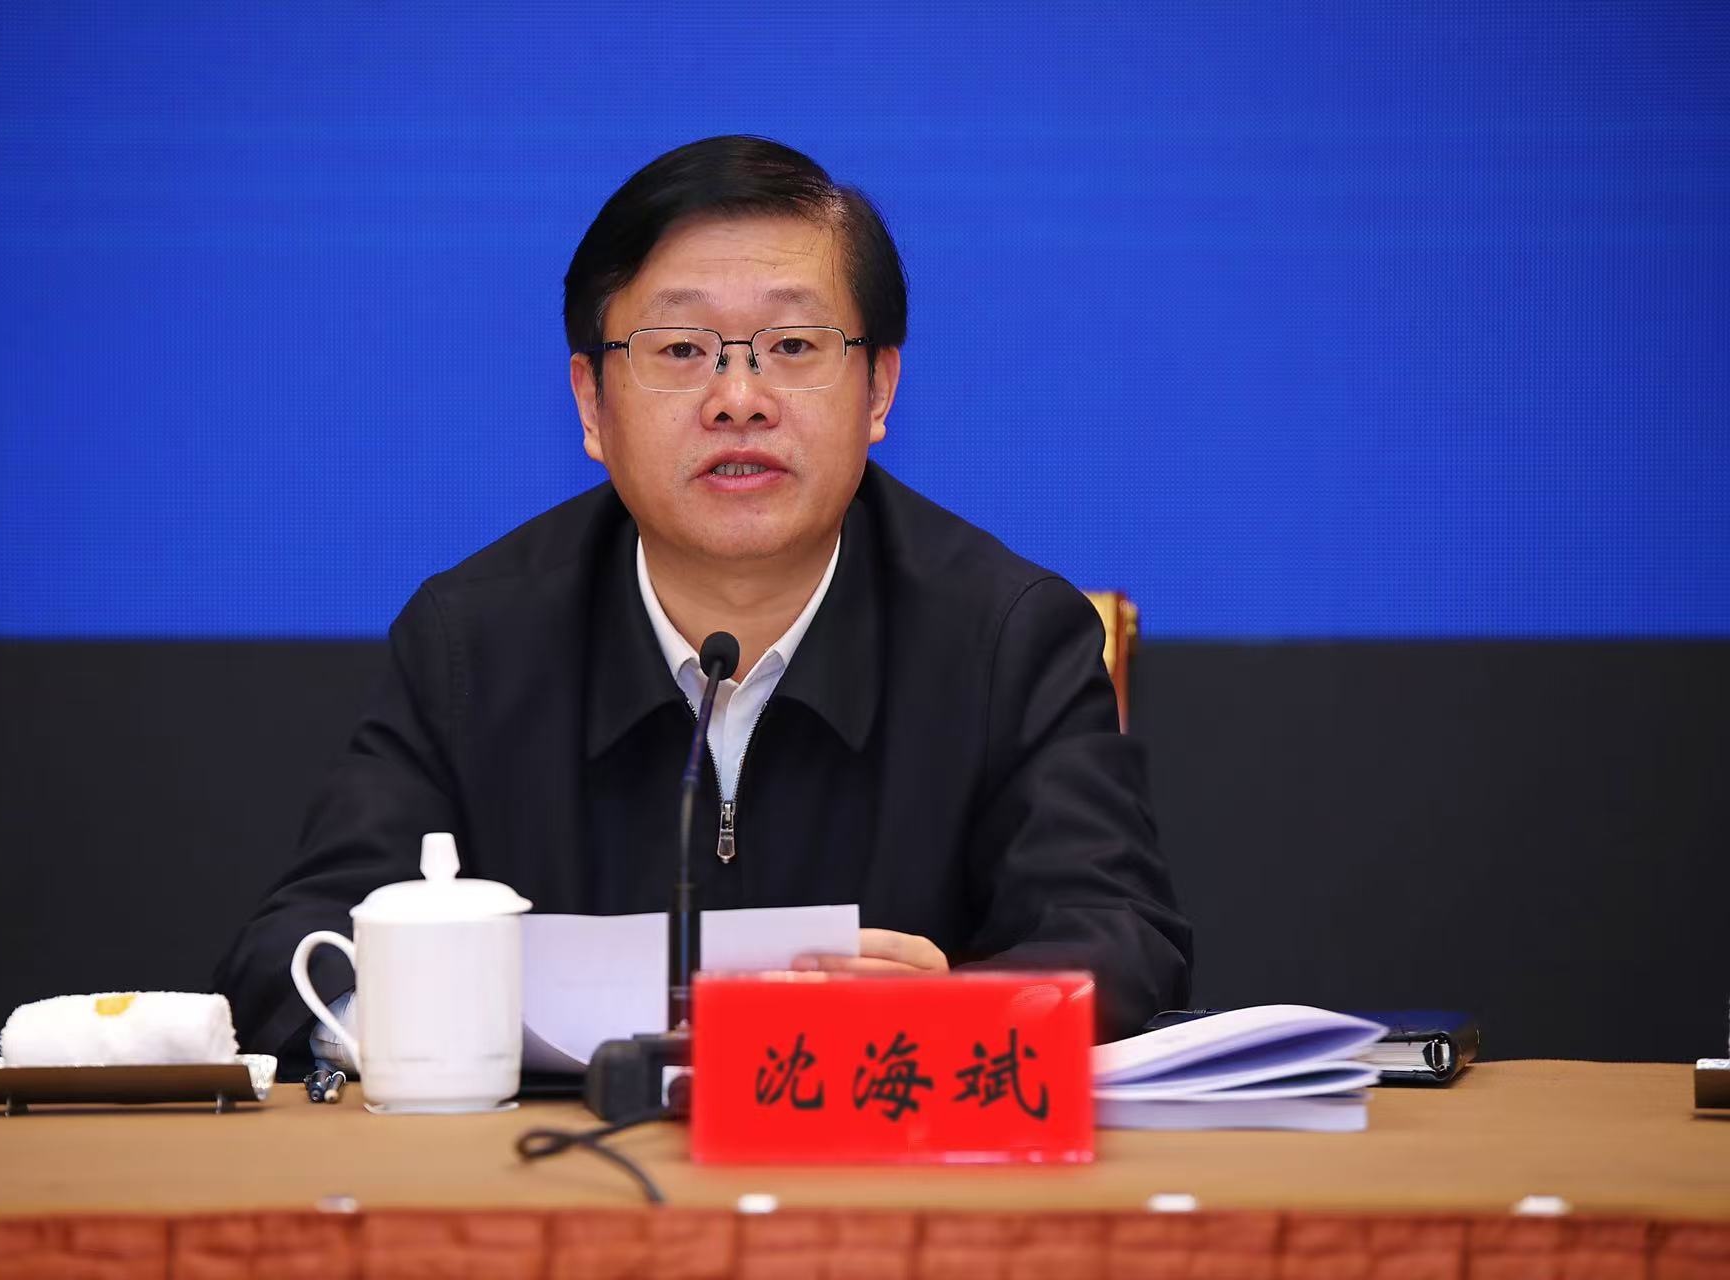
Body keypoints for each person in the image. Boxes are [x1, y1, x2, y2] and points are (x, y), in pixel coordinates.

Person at [215, 136, 1191, 1070]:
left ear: (879, 389)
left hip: (882, 1171)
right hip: (559, 1175)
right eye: (682, 348)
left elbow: (1121, 942)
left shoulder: (1007, 635)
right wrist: (482, 1018)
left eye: (793, 344)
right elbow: (289, 958)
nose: (739, 398)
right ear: (592, 404)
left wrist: (944, 1015)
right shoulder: (474, 642)